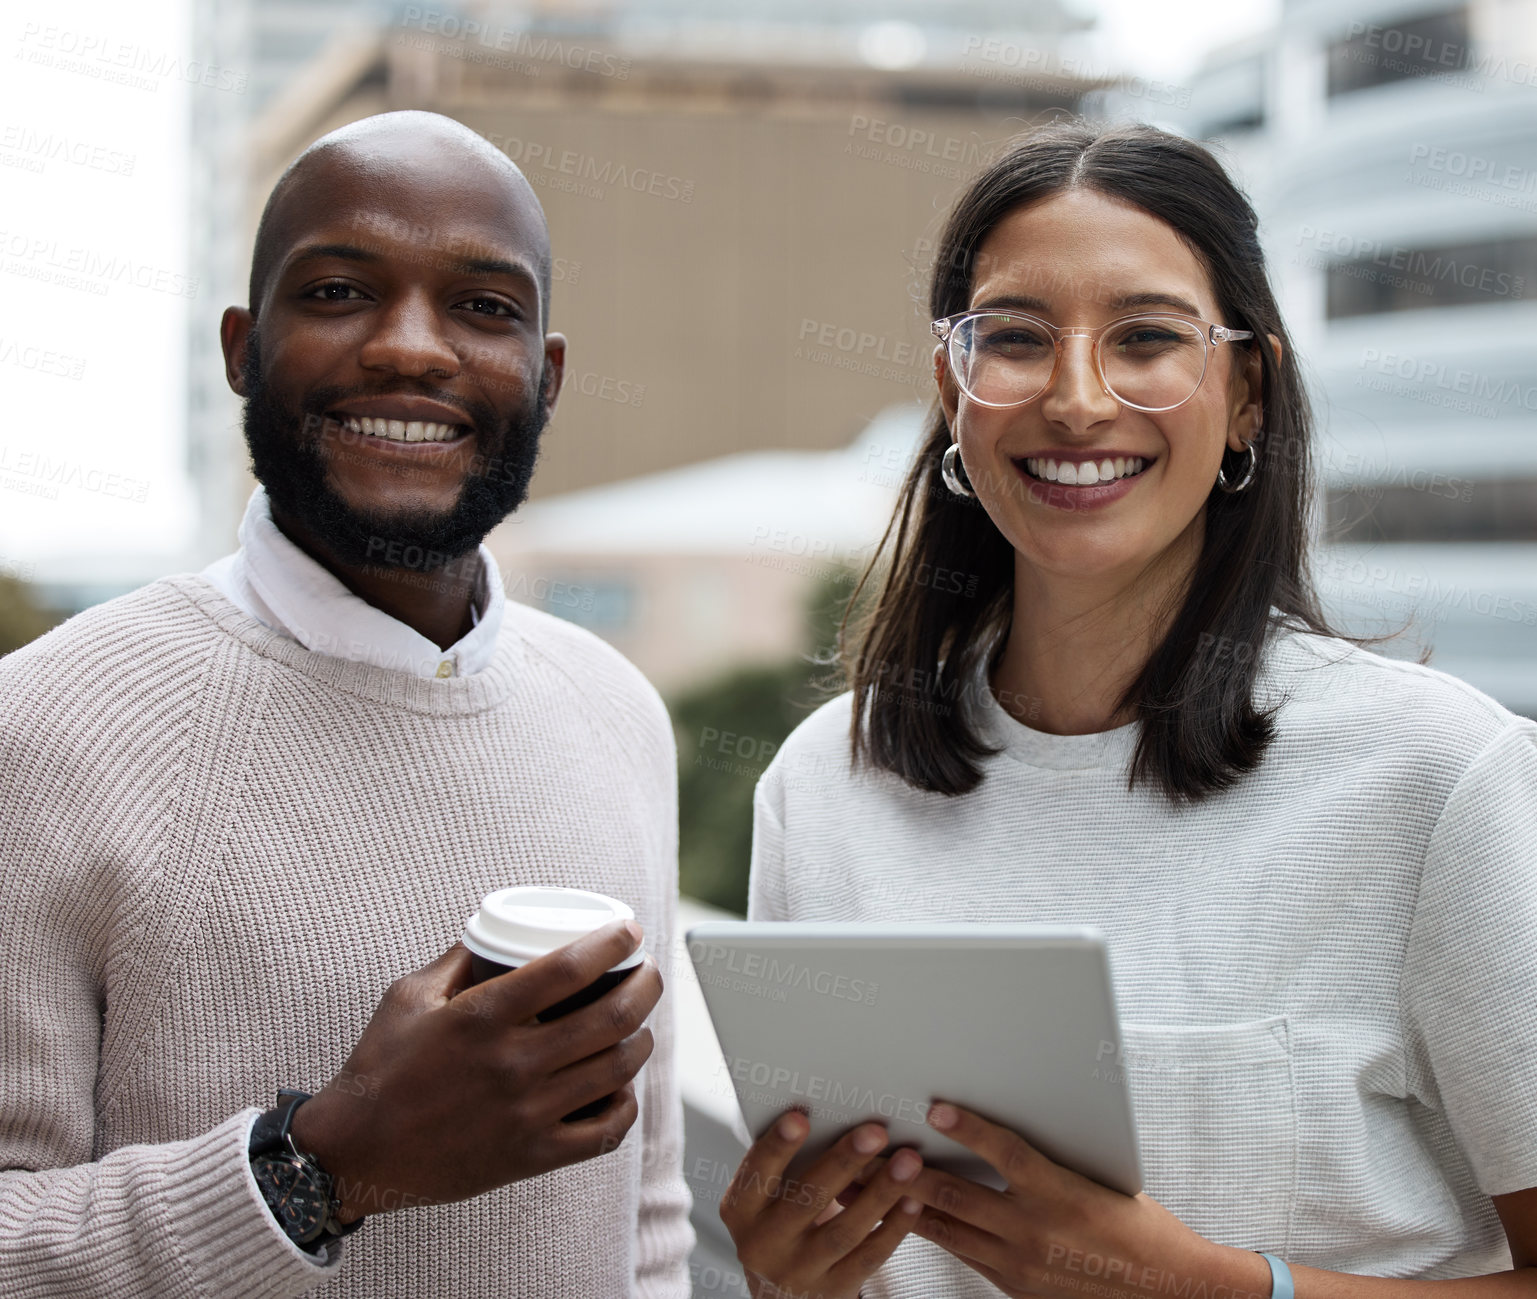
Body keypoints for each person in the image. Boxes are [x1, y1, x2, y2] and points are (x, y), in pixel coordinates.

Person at [723, 120, 1537, 1299]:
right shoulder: (824, 787)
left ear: (1245, 392)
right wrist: (785, 1279)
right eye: (1012, 339)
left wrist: (1211, 1287)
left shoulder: (1437, 779)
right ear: (955, 387)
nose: (1074, 397)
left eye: (1147, 337)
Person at [0, 110, 693, 1297]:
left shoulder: (617, 712)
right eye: (336, 291)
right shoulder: (49, 724)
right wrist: (324, 1168)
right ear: (239, 348)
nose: (411, 349)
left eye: (483, 307)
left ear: (548, 373)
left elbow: (650, 1221)